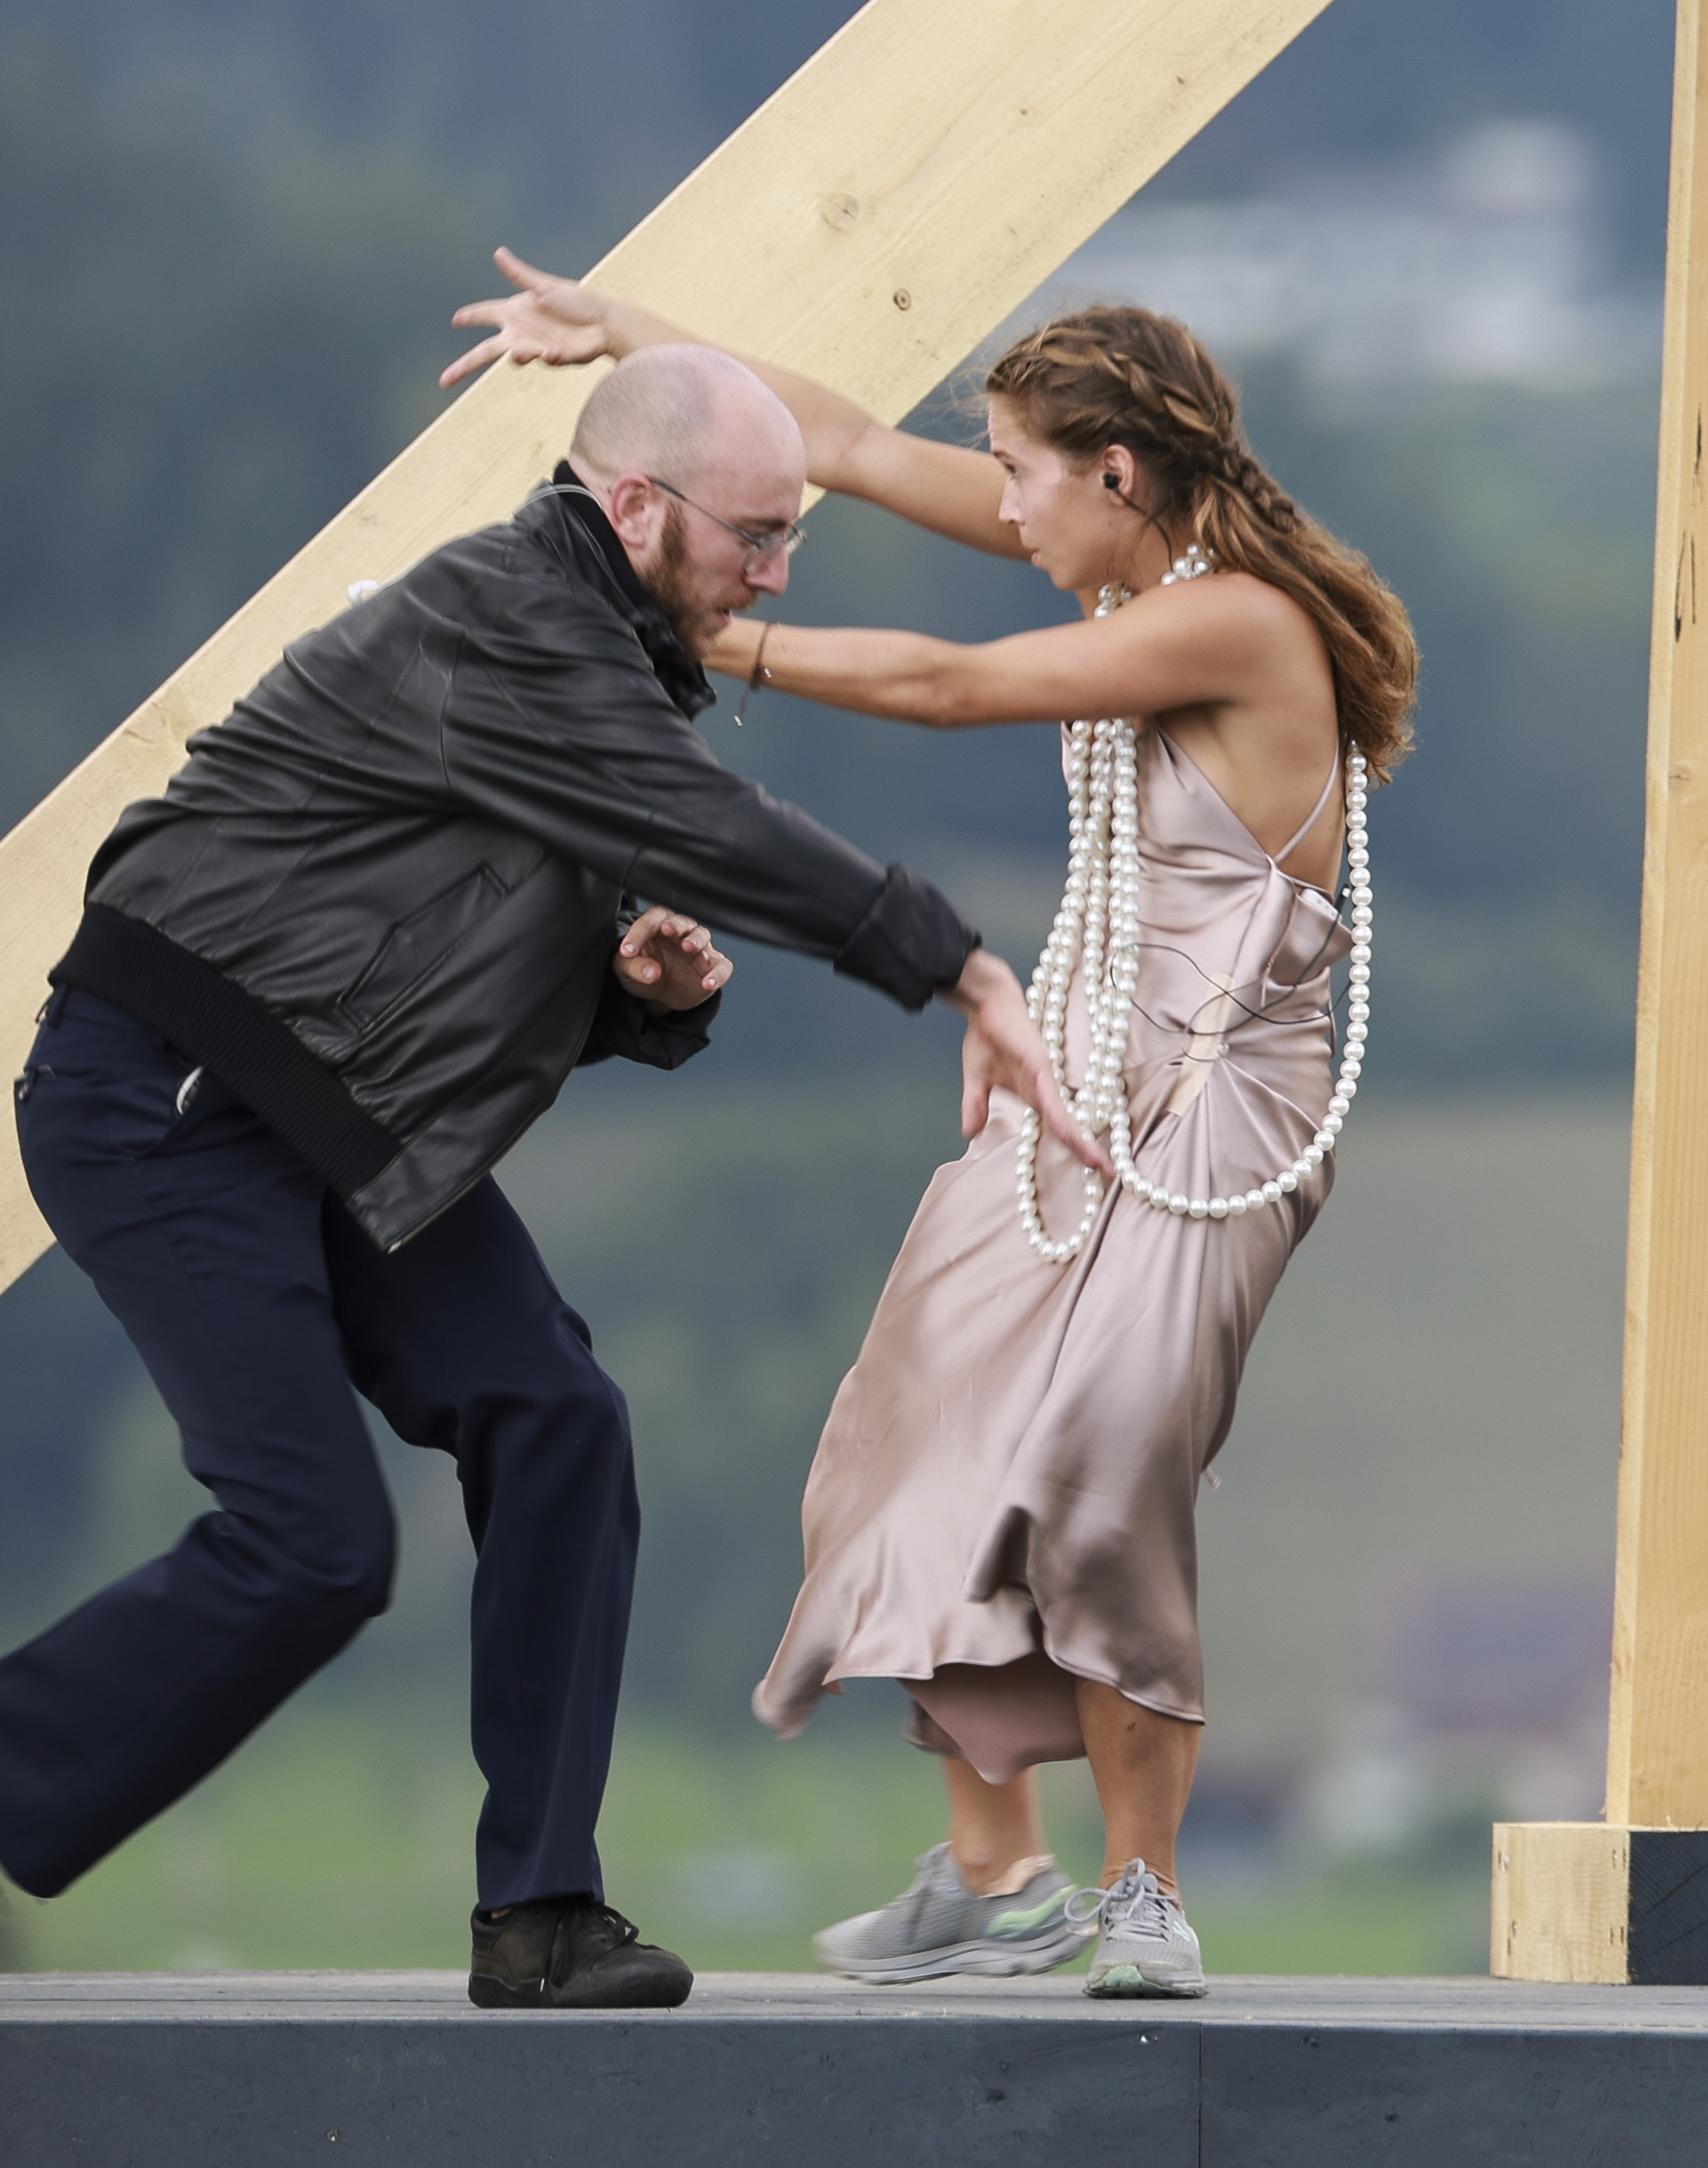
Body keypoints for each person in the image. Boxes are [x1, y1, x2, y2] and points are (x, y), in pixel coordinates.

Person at [0, 344, 1099, 2009]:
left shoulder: (606, 655)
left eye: (793, 536)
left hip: (330, 1111)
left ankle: (543, 1916)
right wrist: (952, 962)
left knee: (558, 1415)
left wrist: (629, 999)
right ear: (636, 505)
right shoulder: (506, 613)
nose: (776, 574)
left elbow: (433, 947)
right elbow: (696, 818)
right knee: (311, 1545)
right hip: (171, 1090)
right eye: (754, 534)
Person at [447, 259, 1412, 1999]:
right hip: (1081, 1080)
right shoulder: (1123, 549)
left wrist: (692, 633)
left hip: (1208, 1107)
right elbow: (834, 439)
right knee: (920, 1422)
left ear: (1116, 474)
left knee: (1106, 1466)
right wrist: (638, 328)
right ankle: (994, 1874)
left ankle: (1142, 1891)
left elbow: (952, 688)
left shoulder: (1237, 620)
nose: (1002, 502)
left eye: (1023, 472)